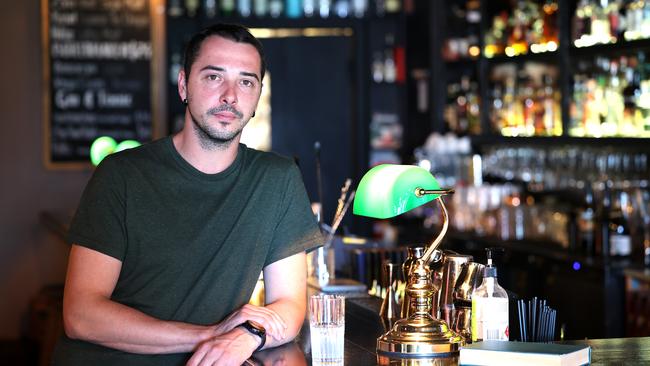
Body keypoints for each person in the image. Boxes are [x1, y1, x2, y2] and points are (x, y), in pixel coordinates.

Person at [52, 23, 323, 366]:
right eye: (213, 77)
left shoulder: (277, 179)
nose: (230, 95)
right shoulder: (121, 174)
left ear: (257, 97)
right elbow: (80, 315)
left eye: (246, 81)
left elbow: (289, 305)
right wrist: (209, 335)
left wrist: (248, 334)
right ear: (184, 85)